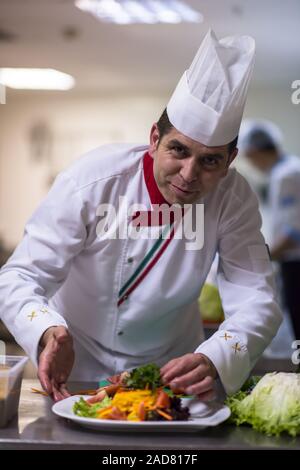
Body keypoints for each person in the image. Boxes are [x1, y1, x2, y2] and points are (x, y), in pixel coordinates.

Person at [0, 30, 282, 402]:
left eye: (210, 160)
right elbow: (20, 275)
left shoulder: (233, 198)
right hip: (76, 369)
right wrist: (47, 330)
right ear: (154, 139)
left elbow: (256, 297)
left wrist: (217, 356)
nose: (189, 174)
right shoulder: (92, 181)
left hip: (172, 374)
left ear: (230, 161)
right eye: (178, 150)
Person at [240, 119, 300, 341]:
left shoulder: (288, 174)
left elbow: (293, 232)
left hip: (295, 263)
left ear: (256, 151)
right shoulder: (283, 171)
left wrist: (259, 261)